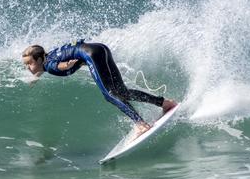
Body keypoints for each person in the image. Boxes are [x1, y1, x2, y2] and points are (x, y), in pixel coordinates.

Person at [22, 39, 177, 136]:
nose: (28, 67)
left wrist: (66, 65)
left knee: (109, 95)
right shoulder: (48, 58)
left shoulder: (50, 65)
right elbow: (49, 64)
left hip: (91, 55)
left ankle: (140, 124)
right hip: (100, 48)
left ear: (40, 59)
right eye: (26, 64)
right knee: (121, 92)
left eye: (30, 63)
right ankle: (165, 103)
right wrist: (35, 76)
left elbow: (57, 66)